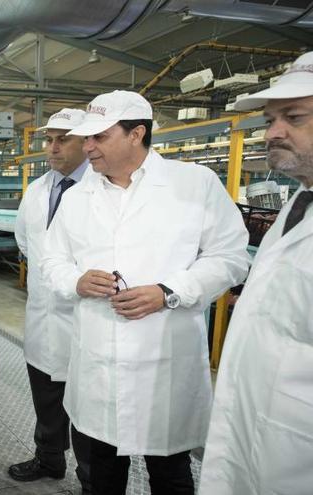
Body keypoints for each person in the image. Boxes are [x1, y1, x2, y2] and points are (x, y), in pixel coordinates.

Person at [41, 90, 251, 495]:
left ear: (136, 134)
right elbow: (52, 261)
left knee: (170, 476)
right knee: (100, 478)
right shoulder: (77, 197)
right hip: (98, 366)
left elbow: (231, 257)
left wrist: (168, 291)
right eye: (86, 138)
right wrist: (76, 281)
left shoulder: (193, 185)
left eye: (98, 138)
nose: (87, 147)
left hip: (164, 362)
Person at [199, 52, 313, 495]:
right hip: (260, 431)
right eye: (271, 119)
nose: (273, 132)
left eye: (294, 116)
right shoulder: (298, 204)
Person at [11, 109, 91, 491]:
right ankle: (49, 459)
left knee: (87, 406)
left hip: (85, 317)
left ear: (86, 141)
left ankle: (90, 477)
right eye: (49, 139)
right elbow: (26, 242)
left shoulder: (100, 188)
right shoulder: (38, 188)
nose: (53, 147)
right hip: (42, 314)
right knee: (45, 395)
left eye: (64, 139)